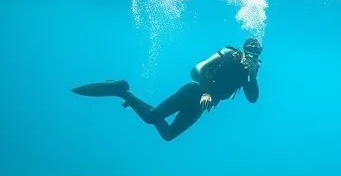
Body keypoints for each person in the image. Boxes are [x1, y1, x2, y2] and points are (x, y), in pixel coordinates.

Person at [71, 38, 263, 142]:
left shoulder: (248, 73)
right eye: (250, 53)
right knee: (151, 118)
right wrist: (206, 92)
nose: (252, 58)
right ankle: (121, 90)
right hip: (193, 93)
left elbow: (252, 99)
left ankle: (131, 100)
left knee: (169, 135)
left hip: (202, 106)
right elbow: (204, 70)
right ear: (243, 50)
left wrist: (253, 77)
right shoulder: (231, 58)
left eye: (256, 55)